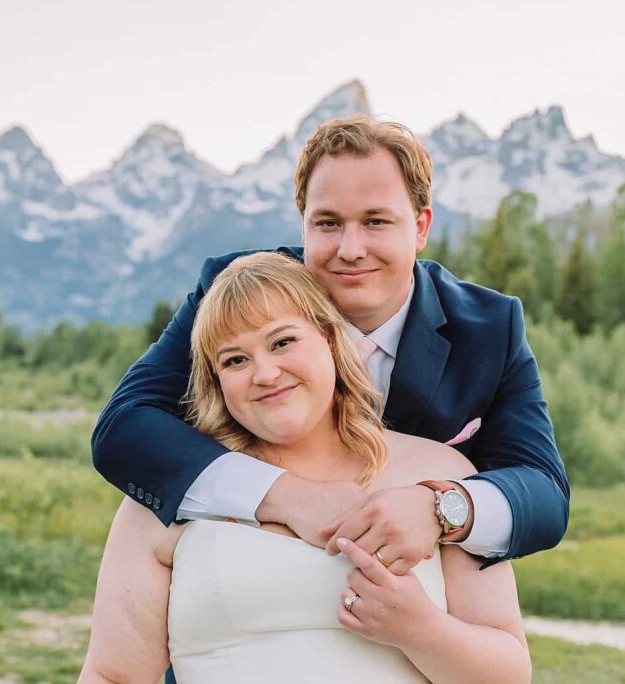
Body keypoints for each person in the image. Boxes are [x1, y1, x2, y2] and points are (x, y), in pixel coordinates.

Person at [92, 116, 568, 577]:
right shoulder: (235, 292)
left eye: (376, 222)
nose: (351, 249)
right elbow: (123, 428)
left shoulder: (489, 328)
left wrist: (442, 507)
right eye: (328, 223)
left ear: (421, 227)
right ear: (303, 226)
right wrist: (283, 495)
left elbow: (543, 492)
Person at [79, 252, 531, 684]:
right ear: (216, 383)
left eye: (282, 342)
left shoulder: (438, 475)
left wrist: (422, 630)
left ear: (332, 341)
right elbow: (113, 675)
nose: (265, 373)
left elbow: (509, 673)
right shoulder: (172, 492)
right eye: (235, 359)